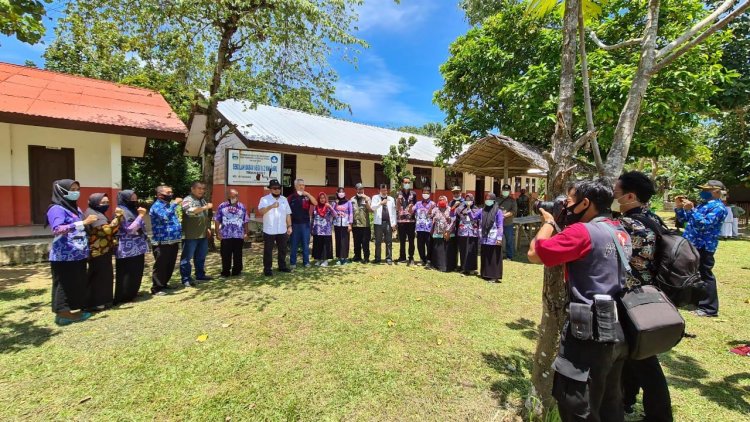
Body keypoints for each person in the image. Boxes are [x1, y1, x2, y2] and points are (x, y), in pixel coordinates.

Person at [528, 179, 632, 422]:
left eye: (570, 201)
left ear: (586, 203)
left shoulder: (582, 232)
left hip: (587, 328)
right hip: (618, 326)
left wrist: (549, 222)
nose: (566, 206)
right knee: (609, 397)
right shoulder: (619, 230)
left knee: (575, 400)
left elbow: (535, 253)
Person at [613, 171, 673, 422]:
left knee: (645, 360)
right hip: (650, 294)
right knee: (632, 353)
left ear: (629, 196)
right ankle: (626, 400)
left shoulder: (629, 225)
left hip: (632, 297)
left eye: (616, 192)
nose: (612, 195)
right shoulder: (652, 219)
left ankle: (659, 416)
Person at [46, 179, 99, 325]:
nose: (76, 192)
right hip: (64, 256)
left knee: (76, 283)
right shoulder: (56, 209)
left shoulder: (74, 208)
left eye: (77, 189)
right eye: (72, 189)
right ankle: (63, 314)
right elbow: (57, 229)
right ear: (61, 191)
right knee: (64, 284)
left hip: (78, 254)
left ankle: (72, 310)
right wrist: (82, 223)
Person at [675, 180, 728, 317]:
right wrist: (680, 208)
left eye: (707, 190)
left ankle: (709, 308)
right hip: (692, 244)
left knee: (705, 275)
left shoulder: (719, 208)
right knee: (693, 273)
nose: (703, 192)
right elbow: (685, 220)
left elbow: (705, 224)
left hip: (704, 246)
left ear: (717, 192)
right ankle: (695, 301)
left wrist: (692, 210)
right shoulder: (704, 205)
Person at [84, 193, 122, 311]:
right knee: (99, 276)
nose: (106, 205)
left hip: (103, 250)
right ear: (95, 202)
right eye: (103, 203)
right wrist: (118, 218)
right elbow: (106, 231)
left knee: (104, 275)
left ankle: (103, 300)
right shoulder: (92, 214)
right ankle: (96, 302)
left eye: (107, 202)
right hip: (98, 251)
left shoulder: (97, 213)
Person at [114, 190, 148, 305]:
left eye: (135, 198)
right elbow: (129, 229)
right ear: (124, 199)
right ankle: (123, 296)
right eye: (131, 198)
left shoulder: (133, 210)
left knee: (136, 271)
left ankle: (132, 293)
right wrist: (141, 216)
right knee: (126, 273)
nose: (134, 200)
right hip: (126, 248)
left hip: (138, 246)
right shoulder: (120, 211)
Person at [149, 185, 183, 296]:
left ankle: (164, 283)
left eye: (171, 192)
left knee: (170, 264)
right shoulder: (156, 206)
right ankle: (157, 288)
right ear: (160, 195)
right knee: (161, 265)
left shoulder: (168, 205)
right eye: (168, 193)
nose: (171, 194)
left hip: (172, 240)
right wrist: (175, 204)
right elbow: (164, 217)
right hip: (161, 241)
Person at [180, 181, 213, 287]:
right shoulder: (187, 200)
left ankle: (200, 275)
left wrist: (207, 228)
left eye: (203, 189)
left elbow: (204, 216)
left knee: (201, 256)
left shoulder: (202, 200)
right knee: (187, 258)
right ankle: (186, 279)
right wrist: (205, 207)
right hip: (190, 235)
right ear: (192, 189)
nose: (202, 190)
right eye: (199, 188)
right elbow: (189, 212)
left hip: (202, 234)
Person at [258, 179, 292, 276]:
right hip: (269, 229)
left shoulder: (284, 199)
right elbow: (260, 212)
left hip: (282, 229)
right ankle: (267, 269)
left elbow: (288, 214)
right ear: (270, 189)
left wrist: (289, 226)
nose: (277, 190)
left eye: (279, 188)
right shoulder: (264, 199)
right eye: (275, 188)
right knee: (268, 251)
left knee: (283, 249)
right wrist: (271, 206)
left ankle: (282, 266)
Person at [214, 189, 249, 278]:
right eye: (232, 196)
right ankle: (225, 272)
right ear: (228, 196)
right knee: (225, 254)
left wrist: (246, 232)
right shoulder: (222, 206)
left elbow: (246, 220)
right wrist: (217, 232)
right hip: (226, 235)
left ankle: (237, 271)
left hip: (238, 235)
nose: (234, 198)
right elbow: (217, 219)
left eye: (236, 196)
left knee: (238, 254)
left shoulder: (242, 206)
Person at [288, 179, 317, 269]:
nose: (302, 186)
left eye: (303, 185)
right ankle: (293, 262)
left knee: (305, 244)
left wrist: (308, 194)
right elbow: (286, 212)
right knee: (294, 245)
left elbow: (315, 203)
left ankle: (306, 262)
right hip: (295, 224)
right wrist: (288, 225)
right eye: (300, 185)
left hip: (305, 224)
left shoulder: (307, 197)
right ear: (295, 186)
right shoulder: (291, 197)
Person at [479, 193, 504, 283]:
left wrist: (499, 238)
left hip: (494, 238)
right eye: (486, 199)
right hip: (485, 238)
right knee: (485, 256)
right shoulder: (482, 210)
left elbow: (500, 225)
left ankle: (494, 276)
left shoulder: (498, 211)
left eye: (489, 199)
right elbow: (473, 217)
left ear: (493, 201)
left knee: (494, 257)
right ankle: (485, 274)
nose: (487, 201)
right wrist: (469, 209)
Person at [371, 184, 397, 264]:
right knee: (378, 241)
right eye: (383, 190)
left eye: (385, 190)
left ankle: (389, 258)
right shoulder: (375, 198)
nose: (384, 192)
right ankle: (377, 258)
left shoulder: (391, 199)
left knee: (389, 241)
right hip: (378, 223)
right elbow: (372, 208)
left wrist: (394, 223)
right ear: (379, 190)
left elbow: (393, 212)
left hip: (388, 223)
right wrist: (381, 203)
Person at [429, 196, 456, 272]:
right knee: (438, 251)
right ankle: (438, 265)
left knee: (448, 251)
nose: (441, 201)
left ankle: (449, 266)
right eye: (440, 200)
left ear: (446, 201)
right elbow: (429, 216)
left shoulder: (450, 209)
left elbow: (453, 221)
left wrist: (448, 231)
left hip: (448, 234)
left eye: (443, 200)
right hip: (438, 234)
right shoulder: (435, 209)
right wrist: (430, 209)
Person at [455, 193, 480, 275]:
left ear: (473, 200)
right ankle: (464, 268)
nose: (468, 201)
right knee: (463, 250)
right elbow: (456, 214)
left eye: (470, 200)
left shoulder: (477, 209)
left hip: (473, 233)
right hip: (463, 232)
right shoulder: (460, 209)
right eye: (466, 200)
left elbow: (478, 220)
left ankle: (472, 268)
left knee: (472, 250)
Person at [396, 177, 418, 266]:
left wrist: (411, 208)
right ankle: (402, 257)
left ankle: (411, 257)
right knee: (402, 240)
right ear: (402, 183)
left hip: (411, 221)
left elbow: (416, 206)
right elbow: (397, 208)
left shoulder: (413, 194)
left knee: (411, 240)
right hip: (401, 221)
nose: (407, 184)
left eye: (408, 182)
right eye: (405, 182)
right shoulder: (398, 193)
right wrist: (398, 200)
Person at [312, 192, 335, 266]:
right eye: (320, 198)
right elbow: (313, 217)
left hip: (326, 231)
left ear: (326, 199)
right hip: (317, 230)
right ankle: (318, 259)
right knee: (318, 245)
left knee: (325, 246)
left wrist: (330, 207)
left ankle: (325, 261)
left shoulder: (328, 206)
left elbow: (335, 215)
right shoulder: (316, 207)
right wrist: (311, 228)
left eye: (323, 198)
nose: (322, 199)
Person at [350, 183, 372, 263]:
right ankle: (357, 256)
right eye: (358, 189)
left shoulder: (367, 198)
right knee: (356, 242)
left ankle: (366, 258)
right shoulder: (352, 200)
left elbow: (371, 210)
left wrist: (366, 201)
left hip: (365, 225)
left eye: (362, 189)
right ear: (356, 190)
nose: (360, 191)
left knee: (365, 242)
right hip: (355, 225)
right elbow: (350, 212)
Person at [414, 186, 435, 267]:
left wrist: (430, 210)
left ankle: (429, 260)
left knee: (429, 245)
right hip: (419, 228)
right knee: (420, 245)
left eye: (427, 193)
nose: (425, 194)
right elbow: (412, 210)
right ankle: (422, 259)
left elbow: (434, 215)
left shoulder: (433, 204)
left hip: (428, 228)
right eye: (424, 192)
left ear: (429, 193)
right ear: (422, 193)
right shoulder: (418, 203)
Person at [333, 187, 353, 265]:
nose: (341, 193)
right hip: (337, 224)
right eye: (340, 192)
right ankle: (339, 258)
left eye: (342, 192)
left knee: (345, 241)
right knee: (338, 241)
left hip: (345, 224)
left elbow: (351, 213)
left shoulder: (348, 202)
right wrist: (336, 204)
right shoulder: (335, 203)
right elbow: (333, 212)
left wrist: (350, 224)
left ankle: (344, 258)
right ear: (337, 193)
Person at [498, 184, 518, 260]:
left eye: (507, 190)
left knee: (509, 240)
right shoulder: (497, 200)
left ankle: (509, 256)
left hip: (508, 223)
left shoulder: (512, 201)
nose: (505, 191)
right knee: (497, 239)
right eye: (504, 190)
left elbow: (514, 211)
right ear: (501, 191)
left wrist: (505, 215)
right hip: (498, 224)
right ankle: (498, 254)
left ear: (510, 191)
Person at [449, 186, 465, 271]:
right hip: (453, 227)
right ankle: (454, 264)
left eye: (457, 192)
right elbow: (449, 213)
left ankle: (463, 265)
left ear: (460, 193)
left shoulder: (465, 202)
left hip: (462, 227)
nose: (456, 194)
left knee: (462, 247)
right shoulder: (451, 202)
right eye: (454, 192)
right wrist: (454, 206)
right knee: (453, 246)